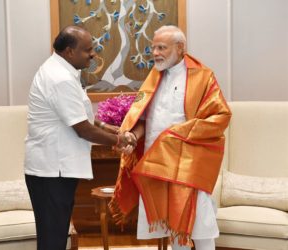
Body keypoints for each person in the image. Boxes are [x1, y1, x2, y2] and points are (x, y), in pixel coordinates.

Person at [109, 25, 232, 250]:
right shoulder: (153, 77)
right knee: (171, 224)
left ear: (180, 47)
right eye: (153, 47)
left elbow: (221, 115)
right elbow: (144, 120)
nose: (155, 53)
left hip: (189, 163)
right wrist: (132, 138)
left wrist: (177, 135)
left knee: (200, 224)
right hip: (158, 162)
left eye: (161, 47)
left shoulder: (203, 77)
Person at [24, 26, 136, 250]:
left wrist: (108, 127)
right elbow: (82, 129)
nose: (93, 54)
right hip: (52, 171)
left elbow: (77, 114)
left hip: (55, 170)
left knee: (54, 236)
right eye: (88, 50)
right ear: (69, 51)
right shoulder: (59, 78)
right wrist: (119, 141)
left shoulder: (62, 70)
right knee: (52, 241)